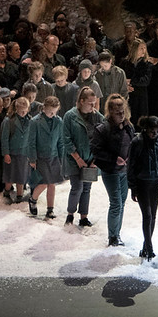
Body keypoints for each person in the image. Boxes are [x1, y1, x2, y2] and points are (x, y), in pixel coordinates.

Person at [91, 93, 137, 246]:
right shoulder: (102, 129)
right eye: (118, 113)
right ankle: (112, 237)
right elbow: (96, 151)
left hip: (124, 171)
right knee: (116, 202)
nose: (121, 115)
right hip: (110, 171)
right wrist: (113, 158)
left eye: (123, 111)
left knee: (122, 202)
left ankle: (117, 234)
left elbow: (132, 145)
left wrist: (130, 157)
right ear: (110, 112)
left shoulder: (129, 126)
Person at [128, 115, 158, 260]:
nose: (155, 134)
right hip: (142, 183)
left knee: (153, 217)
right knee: (147, 215)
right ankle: (149, 248)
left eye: (157, 131)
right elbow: (131, 165)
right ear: (145, 129)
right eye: (152, 131)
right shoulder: (137, 142)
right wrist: (132, 187)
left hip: (155, 183)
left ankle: (145, 247)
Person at [61, 87, 101, 227]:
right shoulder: (69, 116)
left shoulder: (97, 116)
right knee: (77, 187)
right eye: (90, 103)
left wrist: (95, 160)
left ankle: (84, 217)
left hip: (90, 160)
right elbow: (66, 139)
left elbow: (103, 137)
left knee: (87, 188)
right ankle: (70, 214)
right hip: (74, 159)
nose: (93, 106)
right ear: (81, 101)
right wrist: (77, 158)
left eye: (94, 103)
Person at [25, 96, 66, 219]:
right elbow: (31, 142)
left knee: (52, 184)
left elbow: (60, 141)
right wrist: (32, 159)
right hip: (40, 157)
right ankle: (33, 199)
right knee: (44, 183)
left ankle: (50, 209)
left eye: (55, 112)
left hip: (53, 157)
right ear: (44, 109)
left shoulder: (59, 121)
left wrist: (61, 158)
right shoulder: (35, 122)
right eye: (50, 112)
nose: (52, 114)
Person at [0, 95, 32, 204]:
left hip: (24, 153)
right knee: (9, 174)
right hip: (12, 152)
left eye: (25, 111)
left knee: (21, 175)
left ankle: (19, 195)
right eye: (21, 111)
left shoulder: (30, 121)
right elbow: (4, 138)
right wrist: (6, 153)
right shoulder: (9, 121)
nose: (23, 113)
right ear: (16, 109)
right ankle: (7, 192)